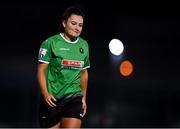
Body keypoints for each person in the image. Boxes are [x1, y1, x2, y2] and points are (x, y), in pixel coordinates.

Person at [37, 6, 90, 128]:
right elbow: (41, 71)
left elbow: (84, 73)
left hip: (73, 98)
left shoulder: (84, 45)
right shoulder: (50, 43)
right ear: (64, 23)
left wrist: (83, 98)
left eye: (80, 25)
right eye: (74, 23)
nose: (77, 28)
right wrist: (45, 93)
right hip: (52, 99)